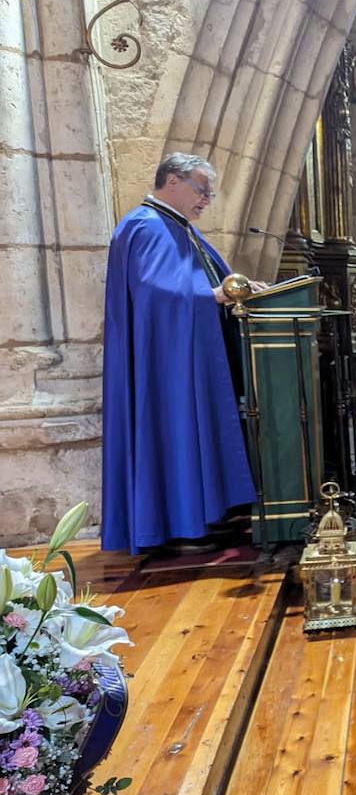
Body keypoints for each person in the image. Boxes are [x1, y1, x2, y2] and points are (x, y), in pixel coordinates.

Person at [101, 153, 262, 554]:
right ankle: (180, 526)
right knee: (174, 429)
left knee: (191, 428)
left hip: (182, 350)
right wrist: (213, 296)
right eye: (201, 190)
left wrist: (236, 290)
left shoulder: (173, 225)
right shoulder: (146, 225)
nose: (207, 200)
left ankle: (202, 516)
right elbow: (155, 294)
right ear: (172, 181)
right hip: (163, 361)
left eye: (210, 194)